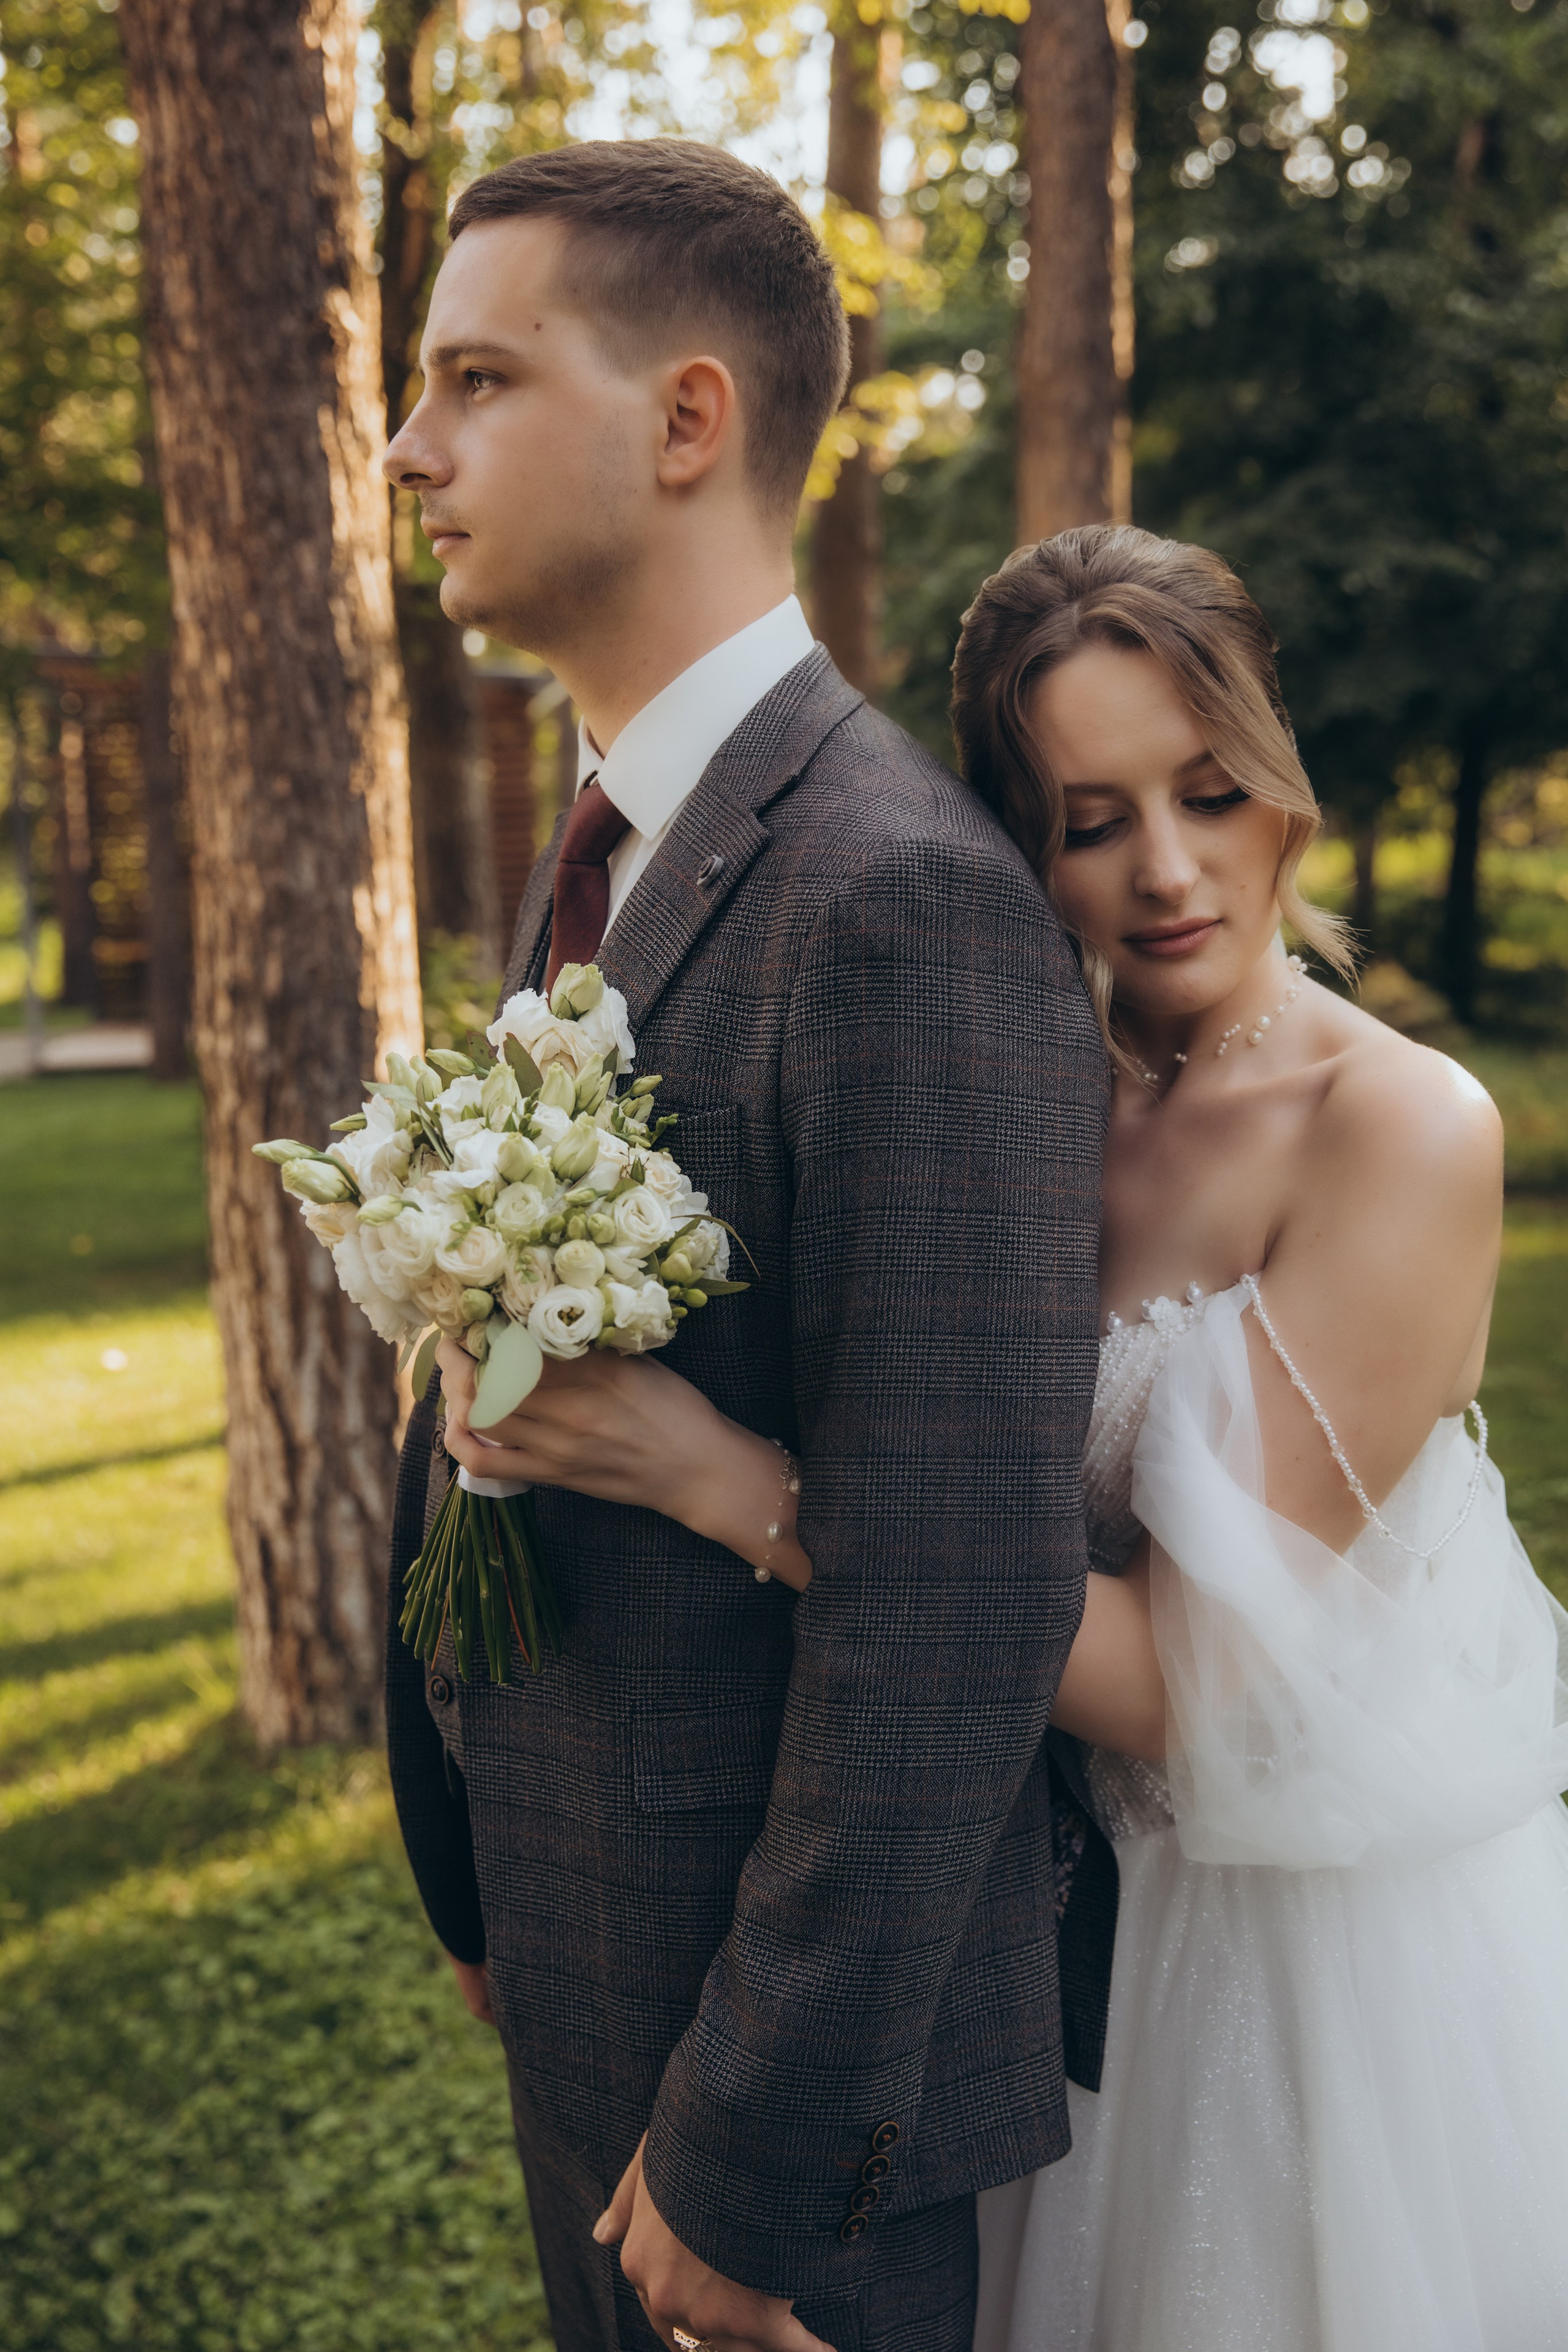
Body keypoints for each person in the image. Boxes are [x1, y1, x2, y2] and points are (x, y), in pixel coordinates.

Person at [379, 141, 1108, 2352]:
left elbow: (960, 1602)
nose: (408, 448)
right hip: (590, 1945)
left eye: (475, 380)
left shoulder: (899, 901)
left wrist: (751, 2153)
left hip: (777, 2113)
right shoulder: (622, 827)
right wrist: (471, 1846)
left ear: (688, 420)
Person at [946, 526, 1568, 2351]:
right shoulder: (1028, 1107)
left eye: (1207, 793)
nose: (1163, 870)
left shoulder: (1404, 1129)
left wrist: (749, 1496)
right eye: (1088, 819)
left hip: (1306, 1969)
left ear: (1275, 775)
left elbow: (1185, 1690)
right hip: (1041, 1929)